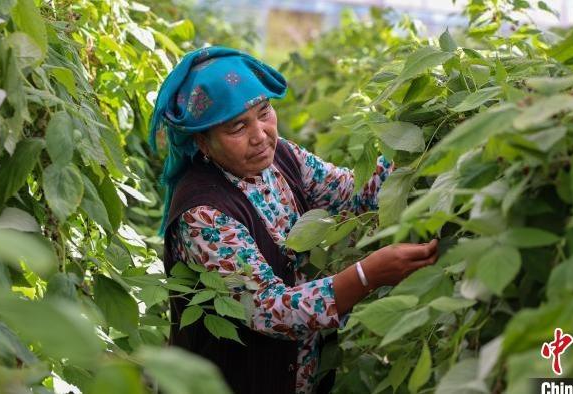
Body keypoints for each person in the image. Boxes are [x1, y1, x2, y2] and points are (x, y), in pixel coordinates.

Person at [148, 46, 439, 394]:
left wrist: (426, 137)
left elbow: (355, 194)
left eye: (264, 112)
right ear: (203, 142)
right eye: (237, 127)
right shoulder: (203, 214)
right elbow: (270, 310)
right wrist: (365, 275)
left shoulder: (281, 156)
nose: (260, 134)